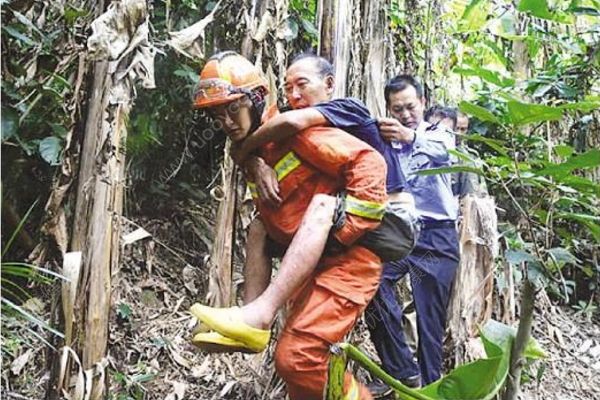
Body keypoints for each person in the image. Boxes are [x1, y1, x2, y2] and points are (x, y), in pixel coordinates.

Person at [189, 51, 388, 399]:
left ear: (256, 100)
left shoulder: (299, 133)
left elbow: (370, 163)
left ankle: (259, 315)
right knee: (299, 369)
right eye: (218, 115)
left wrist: (346, 227)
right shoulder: (256, 152)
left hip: (347, 264)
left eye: (233, 109)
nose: (227, 122)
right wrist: (251, 160)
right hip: (311, 268)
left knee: (298, 358)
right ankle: (251, 319)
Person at [365, 75, 460, 396]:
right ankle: (401, 371)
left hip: (437, 237)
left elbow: (445, 154)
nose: (405, 114)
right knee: (369, 283)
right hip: (399, 234)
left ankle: (430, 388)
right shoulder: (384, 141)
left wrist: (409, 136)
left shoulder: (438, 133)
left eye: (410, 107)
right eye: (397, 109)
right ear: (388, 109)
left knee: (429, 322)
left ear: (422, 102)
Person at [452, 111, 488, 197]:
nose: (459, 133)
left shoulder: (473, 156)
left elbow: (482, 187)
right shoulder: (440, 154)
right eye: (456, 128)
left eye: (463, 129)